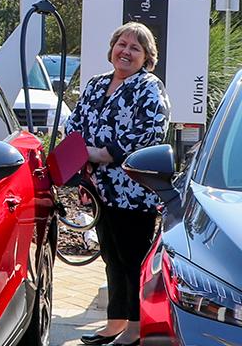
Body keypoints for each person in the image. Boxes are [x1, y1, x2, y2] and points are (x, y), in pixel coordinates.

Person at [66, 22, 170, 346]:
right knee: (111, 257)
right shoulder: (97, 84)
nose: (125, 52)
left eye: (135, 48)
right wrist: (80, 157)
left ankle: (137, 330)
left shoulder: (149, 88)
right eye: (121, 44)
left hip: (133, 191)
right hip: (99, 189)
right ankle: (115, 323)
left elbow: (151, 134)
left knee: (133, 260)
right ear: (112, 48)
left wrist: (99, 153)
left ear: (146, 57)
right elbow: (75, 124)